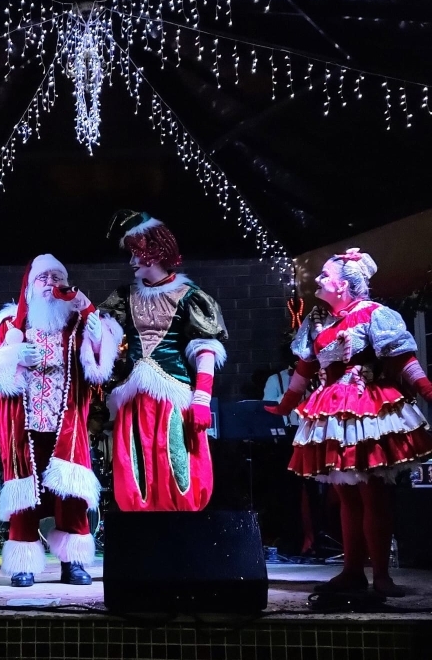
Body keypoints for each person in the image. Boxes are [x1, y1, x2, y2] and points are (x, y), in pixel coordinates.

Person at [266, 249, 432, 596]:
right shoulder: (317, 320)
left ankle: (381, 576)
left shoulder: (373, 314)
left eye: (325, 275)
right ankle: (352, 571)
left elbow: (402, 358)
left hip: (366, 408)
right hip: (332, 412)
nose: (318, 279)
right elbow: (305, 369)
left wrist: (426, 389)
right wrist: (285, 405)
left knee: (373, 494)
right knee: (346, 496)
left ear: (342, 285)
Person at [0, 254, 122, 587]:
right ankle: (24, 562)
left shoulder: (77, 322)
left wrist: (95, 331)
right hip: (25, 423)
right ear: (30, 286)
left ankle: (73, 563)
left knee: (71, 492)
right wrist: (14, 355)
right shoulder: (9, 326)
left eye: (57, 278)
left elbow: (100, 367)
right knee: (25, 493)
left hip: (66, 421)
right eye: (43, 278)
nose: (50, 284)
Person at [100, 210, 228, 512]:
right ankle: (143, 526)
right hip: (134, 399)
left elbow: (205, 350)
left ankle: (179, 524)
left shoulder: (189, 296)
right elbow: (103, 338)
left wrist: (202, 399)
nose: (132, 262)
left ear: (155, 253)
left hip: (172, 398)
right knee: (135, 465)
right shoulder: (124, 296)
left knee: (174, 460)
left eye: (136, 253)